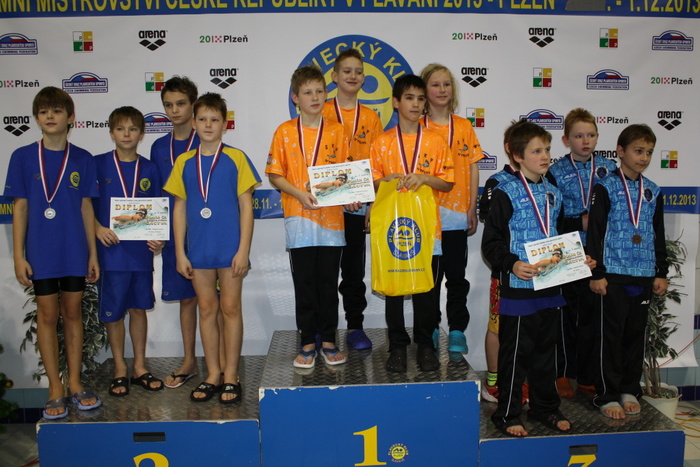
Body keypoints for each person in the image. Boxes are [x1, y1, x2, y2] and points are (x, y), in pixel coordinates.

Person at [4, 86, 101, 419]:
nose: (50, 116)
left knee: (72, 313)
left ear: (71, 117)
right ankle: (54, 387)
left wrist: (92, 254)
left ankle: (74, 382)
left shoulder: (83, 158)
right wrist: (18, 256)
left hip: (74, 249)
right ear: (36, 118)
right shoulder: (22, 156)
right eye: (43, 111)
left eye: (57, 111)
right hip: (41, 251)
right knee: (47, 315)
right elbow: (20, 208)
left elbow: (86, 208)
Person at [481, 120, 576, 437]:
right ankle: (507, 414)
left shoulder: (553, 192)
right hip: (519, 289)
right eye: (536, 151)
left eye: (547, 149)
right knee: (515, 355)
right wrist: (512, 264)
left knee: (546, 353)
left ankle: (545, 407)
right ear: (517, 156)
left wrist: (580, 257)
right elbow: (491, 243)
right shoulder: (504, 192)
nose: (545, 156)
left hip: (550, 285)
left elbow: (561, 236)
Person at [164, 92, 260, 403]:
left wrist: (243, 250)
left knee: (230, 309)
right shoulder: (183, 162)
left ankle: (231, 374)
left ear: (225, 124)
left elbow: (246, 207)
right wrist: (180, 252)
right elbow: (179, 208)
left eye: (214, 120)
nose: (208, 125)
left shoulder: (236, 158)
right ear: (193, 123)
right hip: (199, 250)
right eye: (203, 119)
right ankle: (213, 374)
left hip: (230, 249)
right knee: (206, 310)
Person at [266, 65, 354, 369]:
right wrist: (299, 193)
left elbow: (345, 175)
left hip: (331, 221)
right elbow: (274, 174)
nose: (314, 97)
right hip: (299, 218)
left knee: (329, 283)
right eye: (307, 92)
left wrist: (351, 195)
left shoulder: (338, 131)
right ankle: (306, 342)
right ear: (295, 98)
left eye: (319, 91)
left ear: (326, 94)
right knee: (304, 283)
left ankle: (328, 340)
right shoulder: (285, 131)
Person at [370, 74, 454, 373]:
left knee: (427, 289)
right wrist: (386, 180)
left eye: (420, 99)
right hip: (392, 229)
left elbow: (447, 182)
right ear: (395, 102)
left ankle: (426, 345)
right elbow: (372, 182)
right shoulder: (382, 142)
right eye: (409, 98)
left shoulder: (435, 141)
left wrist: (424, 178)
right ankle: (397, 345)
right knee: (394, 288)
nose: (416, 104)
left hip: (428, 229)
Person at [588, 124, 668, 419]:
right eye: (638, 151)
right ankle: (607, 394)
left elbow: (658, 233)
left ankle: (629, 389)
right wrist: (596, 273)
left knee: (635, 336)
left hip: (643, 274)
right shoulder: (605, 186)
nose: (644, 157)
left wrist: (660, 271)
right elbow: (595, 232)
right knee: (610, 336)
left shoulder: (653, 191)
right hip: (613, 274)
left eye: (649, 152)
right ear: (620, 151)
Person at [93, 106, 165, 396]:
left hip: (140, 253)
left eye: (133, 129)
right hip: (110, 253)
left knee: (138, 308)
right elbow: (83, 205)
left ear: (141, 134)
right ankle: (120, 369)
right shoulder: (98, 164)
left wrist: (159, 239)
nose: (126, 134)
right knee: (113, 313)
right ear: (111, 133)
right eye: (120, 129)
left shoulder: (150, 168)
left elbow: (158, 209)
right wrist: (97, 228)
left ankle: (140, 367)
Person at [546, 108, 617, 398]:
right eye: (578, 136)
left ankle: (588, 375)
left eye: (590, 135)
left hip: (599, 249)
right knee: (565, 314)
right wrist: (580, 222)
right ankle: (563, 373)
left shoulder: (610, 168)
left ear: (597, 137)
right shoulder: (555, 172)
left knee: (593, 315)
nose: (585, 141)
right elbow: (550, 217)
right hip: (567, 249)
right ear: (566, 140)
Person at [419, 64, 484, 354]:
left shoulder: (464, 126)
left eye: (446, 84)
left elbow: (473, 167)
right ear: (424, 90)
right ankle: (431, 327)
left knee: (456, 277)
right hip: (425, 215)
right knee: (429, 278)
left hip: (457, 214)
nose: (442, 89)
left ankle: (457, 329)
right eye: (435, 84)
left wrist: (472, 207)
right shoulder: (417, 127)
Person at [322, 48, 384, 351]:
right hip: (325, 208)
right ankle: (324, 329)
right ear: (334, 76)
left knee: (353, 272)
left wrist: (371, 202)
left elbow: (378, 164)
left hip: (358, 207)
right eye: (346, 71)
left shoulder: (371, 118)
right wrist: (339, 194)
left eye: (358, 71)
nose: (353, 76)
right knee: (324, 273)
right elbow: (313, 160)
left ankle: (355, 326)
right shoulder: (320, 111)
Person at [150, 76, 200, 389]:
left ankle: (224, 364)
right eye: (168, 105)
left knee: (218, 303)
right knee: (187, 301)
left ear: (193, 104)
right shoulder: (159, 147)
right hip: (175, 236)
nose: (174, 110)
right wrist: (156, 231)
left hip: (208, 233)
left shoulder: (206, 138)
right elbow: (157, 194)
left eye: (181, 103)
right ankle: (189, 361)